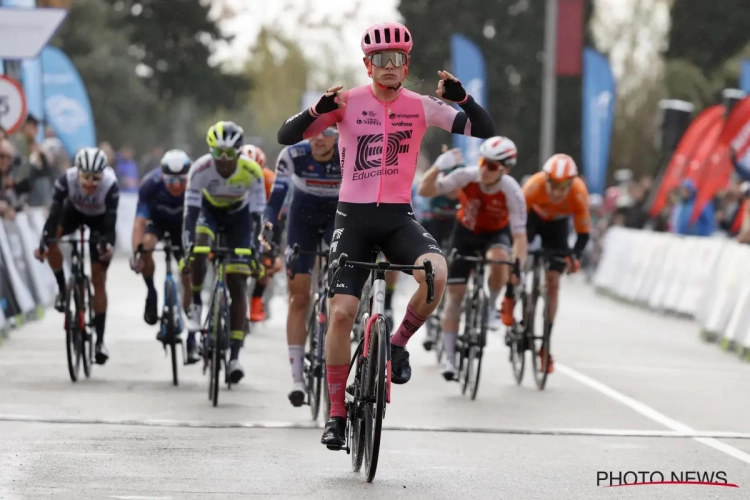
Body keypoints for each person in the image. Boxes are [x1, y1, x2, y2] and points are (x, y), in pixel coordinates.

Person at [277, 21, 495, 447]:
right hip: (352, 220)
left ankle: (396, 344)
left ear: (406, 64)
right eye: (380, 59)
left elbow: (484, 129)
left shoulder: (421, 105)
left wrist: (463, 98)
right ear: (368, 65)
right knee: (341, 314)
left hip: (398, 218)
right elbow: (287, 136)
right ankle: (337, 414)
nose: (389, 66)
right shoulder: (345, 103)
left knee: (436, 272)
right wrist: (316, 110)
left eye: (397, 59)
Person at [418, 137, 527, 379]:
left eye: (492, 166)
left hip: (496, 234)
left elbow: (520, 237)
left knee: (500, 258)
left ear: (505, 169)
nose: (484, 169)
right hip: (465, 232)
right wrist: (438, 167)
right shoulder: (467, 176)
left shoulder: (511, 190)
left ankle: (491, 307)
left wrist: (517, 267)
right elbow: (426, 190)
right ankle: (449, 357)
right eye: (482, 162)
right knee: (455, 296)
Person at [261, 127, 341, 407]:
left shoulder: (349, 151)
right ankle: (297, 379)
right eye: (313, 133)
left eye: (327, 133)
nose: (319, 139)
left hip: (338, 218)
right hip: (302, 221)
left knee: (341, 290)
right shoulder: (293, 154)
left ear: (338, 135)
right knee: (299, 297)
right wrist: (268, 226)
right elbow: (276, 200)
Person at [182, 121, 266, 384]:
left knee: (238, 283)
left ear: (240, 152)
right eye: (219, 153)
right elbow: (191, 213)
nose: (225, 160)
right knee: (199, 243)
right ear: (211, 151)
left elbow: (257, 217)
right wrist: (189, 246)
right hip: (209, 211)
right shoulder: (200, 170)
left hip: (239, 218)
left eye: (231, 154)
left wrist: (256, 248)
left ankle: (234, 357)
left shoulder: (252, 171)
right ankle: (196, 302)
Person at [35, 147, 119, 365]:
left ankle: (100, 341)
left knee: (99, 278)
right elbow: (53, 216)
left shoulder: (111, 185)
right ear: (77, 172)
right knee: (52, 238)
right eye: (86, 177)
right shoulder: (66, 180)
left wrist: (106, 245)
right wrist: (45, 242)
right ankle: (64, 289)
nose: (90, 183)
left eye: (95, 178)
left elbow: (110, 227)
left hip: (100, 221)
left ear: (103, 175)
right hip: (74, 213)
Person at [522, 154, 590, 374]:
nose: (558, 191)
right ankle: (512, 296)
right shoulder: (533, 186)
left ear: (572, 183)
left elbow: (583, 235)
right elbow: (515, 225)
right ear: (546, 179)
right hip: (531, 221)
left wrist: (575, 257)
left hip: (557, 228)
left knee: (553, 283)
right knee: (517, 258)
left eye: (564, 186)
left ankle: (545, 345)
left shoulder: (579, 193)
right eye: (554, 184)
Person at [130, 150, 196, 359]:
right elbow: (139, 224)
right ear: (162, 176)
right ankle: (151, 292)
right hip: (157, 224)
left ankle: (192, 336)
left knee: (188, 274)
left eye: (181, 181)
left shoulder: (196, 182)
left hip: (183, 227)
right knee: (146, 246)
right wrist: (136, 254)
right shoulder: (150, 184)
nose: (177, 186)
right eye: (171, 181)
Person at [240, 143, 277, 323]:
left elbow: (275, 213)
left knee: (267, 263)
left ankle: (256, 301)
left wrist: (270, 245)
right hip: (239, 220)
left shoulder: (269, 179)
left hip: (263, 221)